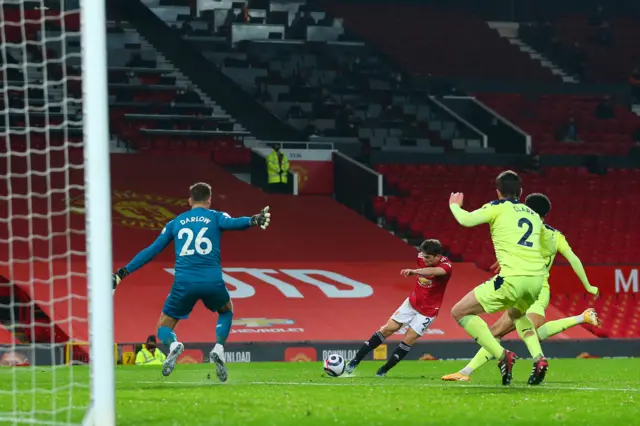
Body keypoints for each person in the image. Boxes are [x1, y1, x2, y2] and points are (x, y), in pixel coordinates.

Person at [112, 182, 271, 381]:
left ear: (189, 201)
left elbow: (151, 250)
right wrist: (255, 219)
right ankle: (219, 348)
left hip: (184, 282)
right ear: (209, 200)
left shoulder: (176, 223)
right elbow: (235, 223)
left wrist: (123, 272)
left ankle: (174, 345)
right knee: (226, 310)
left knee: (164, 324)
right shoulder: (215, 216)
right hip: (212, 281)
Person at [443, 193, 601, 382]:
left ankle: (473, 371)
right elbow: (573, 258)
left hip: (523, 282)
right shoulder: (556, 235)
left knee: (503, 332)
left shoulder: (532, 228)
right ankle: (469, 371)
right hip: (540, 288)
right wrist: (588, 285)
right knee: (512, 331)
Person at [448, 170, 553, 386]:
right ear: (521, 192)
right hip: (536, 282)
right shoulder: (532, 213)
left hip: (512, 278)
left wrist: (454, 205)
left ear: (498, 192)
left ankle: (501, 354)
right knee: (517, 314)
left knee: (459, 311)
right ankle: (538, 357)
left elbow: (466, 221)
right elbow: (543, 245)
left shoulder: (496, 207)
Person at [345, 239, 452, 377]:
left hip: (428, 311)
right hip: (412, 303)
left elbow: (436, 271)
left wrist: (414, 271)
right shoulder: (422, 257)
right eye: (423, 256)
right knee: (387, 329)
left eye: (428, 258)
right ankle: (354, 361)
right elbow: (428, 254)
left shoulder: (446, 265)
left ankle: (383, 370)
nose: (424, 259)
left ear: (437, 257)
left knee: (408, 339)